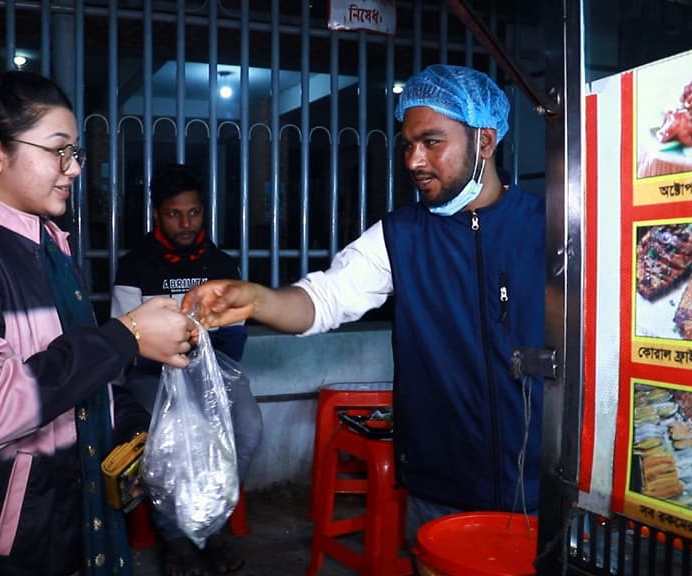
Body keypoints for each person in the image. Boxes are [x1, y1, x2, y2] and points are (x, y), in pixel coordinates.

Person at [183, 64, 545, 546]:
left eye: (432, 142)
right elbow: (324, 300)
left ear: (484, 141)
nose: (414, 160)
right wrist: (256, 300)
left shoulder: (551, 228)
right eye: (407, 144)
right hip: (440, 487)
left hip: (543, 490)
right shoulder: (400, 236)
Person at [0, 70, 195, 576]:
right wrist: (127, 336)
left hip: (62, 522)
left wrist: (137, 432)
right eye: (58, 150)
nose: (73, 168)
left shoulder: (49, 248)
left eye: (75, 153)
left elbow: (78, 371)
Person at [111, 163, 262, 576]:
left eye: (193, 213)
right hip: (151, 376)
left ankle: (211, 522)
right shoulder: (135, 266)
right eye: (175, 214)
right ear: (157, 214)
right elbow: (131, 345)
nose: (185, 223)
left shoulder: (221, 265)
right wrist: (179, 350)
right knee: (172, 433)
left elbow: (233, 339)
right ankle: (175, 537)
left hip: (213, 371)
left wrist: (195, 358)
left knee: (248, 426)